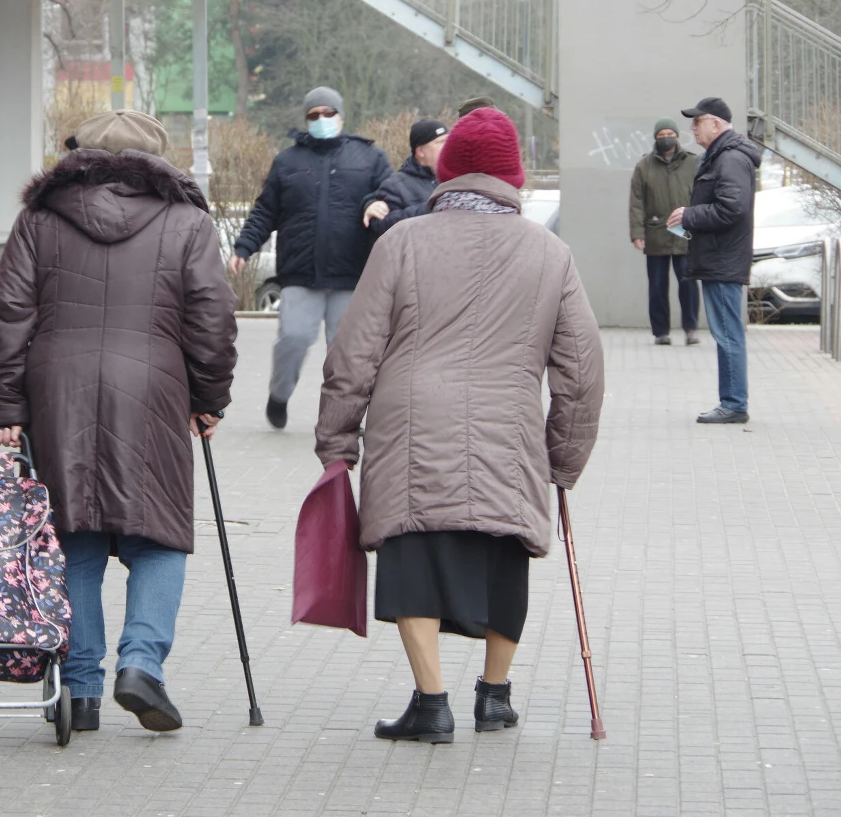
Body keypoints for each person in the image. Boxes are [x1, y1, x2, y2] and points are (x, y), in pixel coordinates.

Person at [316, 108, 605, 744]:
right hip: (510, 428)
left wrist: (336, 440)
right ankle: (495, 696)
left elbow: (354, 351)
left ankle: (431, 702)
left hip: (411, 426)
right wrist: (564, 459)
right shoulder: (550, 253)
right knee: (505, 552)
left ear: (446, 174)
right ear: (514, 176)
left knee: (411, 553)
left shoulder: (403, 241)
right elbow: (581, 370)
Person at [0, 109, 238, 734]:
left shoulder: (40, 218)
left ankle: (82, 689)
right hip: (153, 387)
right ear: (160, 161)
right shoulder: (187, 221)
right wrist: (209, 398)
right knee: (160, 536)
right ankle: (142, 666)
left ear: (79, 154)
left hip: (56, 389)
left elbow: (6, 311)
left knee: (75, 539)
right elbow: (212, 317)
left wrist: (4, 408)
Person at [229, 87, 392, 430]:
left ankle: (345, 414)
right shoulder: (287, 161)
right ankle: (279, 394)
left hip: (351, 275)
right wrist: (244, 247)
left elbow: (390, 197)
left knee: (347, 352)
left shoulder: (370, 158)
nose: (321, 120)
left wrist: (376, 206)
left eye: (327, 113)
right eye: (313, 115)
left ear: (341, 115)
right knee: (293, 338)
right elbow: (265, 211)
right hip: (300, 274)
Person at [667, 98, 760, 424]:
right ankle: (732, 401)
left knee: (727, 334)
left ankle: (734, 404)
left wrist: (690, 215)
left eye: (697, 122)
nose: (692, 128)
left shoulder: (731, 158)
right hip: (720, 257)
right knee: (726, 332)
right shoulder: (723, 156)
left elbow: (732, 208)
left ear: (716, 124)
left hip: (723, 259)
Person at [630, 118, 700, 346]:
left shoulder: (693, 163)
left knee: (688, 283)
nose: (666, 138)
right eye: (661, 135)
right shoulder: (644, 166)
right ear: (655, 138)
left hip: (685, 233)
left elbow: (701, 195)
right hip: (655, 232)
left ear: (677, 136)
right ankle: (661, 332)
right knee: (658, 286)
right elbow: (636, 202)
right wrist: (637, 233)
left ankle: (690, 329)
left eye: (670, 133)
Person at [362, 119, 448, 236]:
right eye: (441, 142)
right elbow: (382, 226)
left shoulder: (454, 178)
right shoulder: (396, 185)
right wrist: (430, 208)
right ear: (421, 151)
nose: (448, 146)